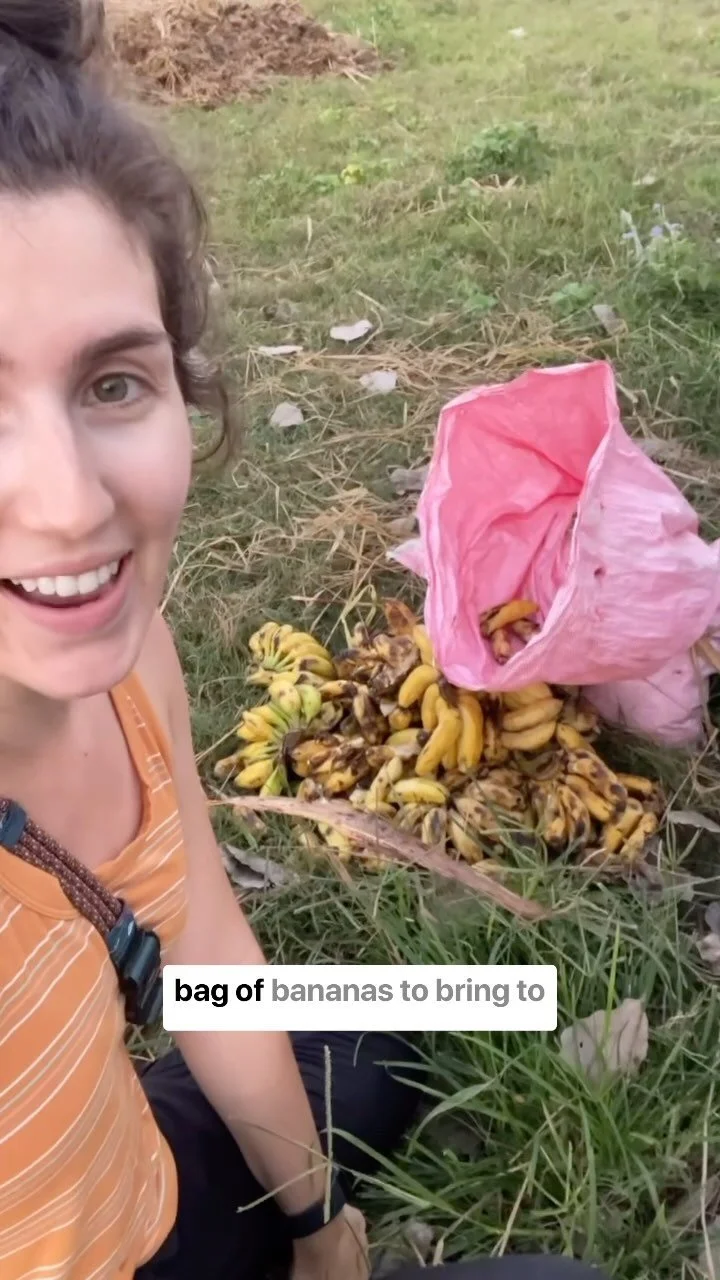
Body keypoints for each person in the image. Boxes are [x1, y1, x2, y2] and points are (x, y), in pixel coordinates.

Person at [0, 6, 612, 1280]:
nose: (67, 502)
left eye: (112, 382)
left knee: (390, 1022)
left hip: (131, 1181)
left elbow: (210, 947)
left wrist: (315, 1222)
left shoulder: (131, 662)